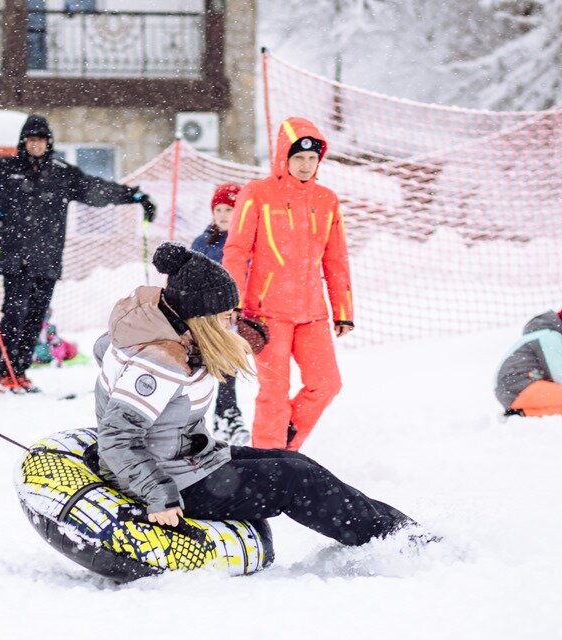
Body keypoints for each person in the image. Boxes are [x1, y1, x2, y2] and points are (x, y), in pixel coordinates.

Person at [93, 242, 421, 548]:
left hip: (187, 459)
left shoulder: (156, 330)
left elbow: (105, 352)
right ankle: (392, 543)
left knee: (295, 462)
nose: (232, 324)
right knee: (296, 481)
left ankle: (401, 530)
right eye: (226, 317)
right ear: (202, 318)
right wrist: (159, 495)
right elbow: (117, 437)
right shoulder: (159, 362)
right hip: (171, 482)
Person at [0, 114, 157, 394]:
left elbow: (97, 190)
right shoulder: (4, 169)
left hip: (47, 259)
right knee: (14, 315)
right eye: (31, 139)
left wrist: (135, 196)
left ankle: (20, 372)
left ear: (49, 143)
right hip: (15, 257)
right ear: (23, 142)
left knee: (35, 317)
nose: (36, 144)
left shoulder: (61, 173)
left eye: (41, 139)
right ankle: (1, 374)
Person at [222, 117, 353, 450]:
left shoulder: (327, 200)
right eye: (299, 158)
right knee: (274, 391)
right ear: (284, 157)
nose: (306, 165)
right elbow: (236, 251)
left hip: (313, 314)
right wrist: (233, 302)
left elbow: (336, 259)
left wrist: (343, 310)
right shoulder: (258, 194)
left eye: (312, 158)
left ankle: (284, 444)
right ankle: (267, 462)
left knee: (326, 384)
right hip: (267, 313)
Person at [190, 181, 249, 445]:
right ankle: (221, 417)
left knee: (228, 366)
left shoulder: (246, 242)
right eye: (219, 210)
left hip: (233, 317)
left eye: (229, 210)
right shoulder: (202, 243)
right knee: (204, 371)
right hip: (205, 317)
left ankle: (226, 416)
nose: (224, 215)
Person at [495, 309, 562, 417]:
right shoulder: (548, 336)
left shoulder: (546, 333)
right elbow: (559, 374)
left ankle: (522, 413)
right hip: (518, 386)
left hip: (514, 389)